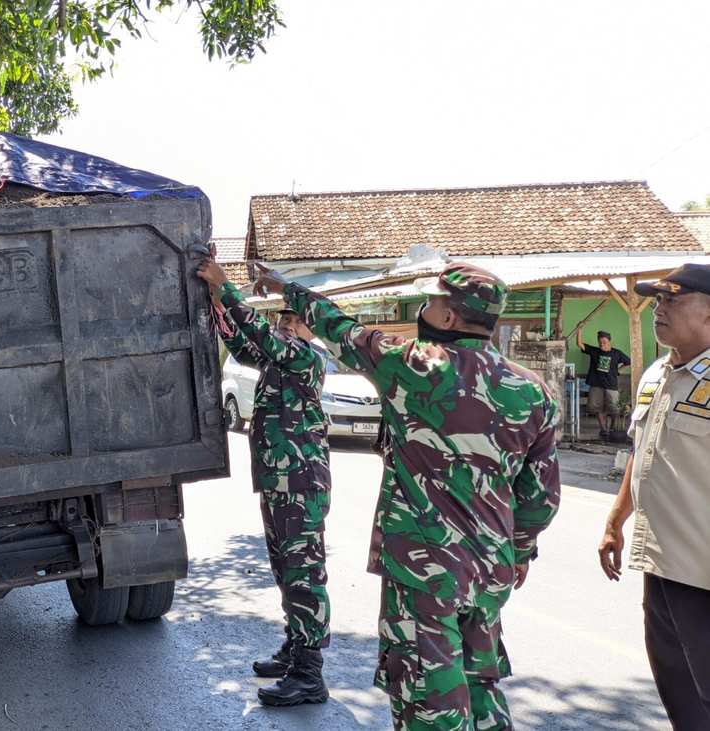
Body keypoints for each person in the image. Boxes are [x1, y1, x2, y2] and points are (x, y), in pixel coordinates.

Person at [250, 262, 561, 730]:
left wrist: (284, 288)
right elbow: (540, 497)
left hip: (424, 570)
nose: (424, 307)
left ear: (450, 318)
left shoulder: (413, 365)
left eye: (433, 301)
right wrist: (520, 551)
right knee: (480, 685)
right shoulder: (533, 391)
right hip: (490, 568)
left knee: (428, 698)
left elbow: (338, 328)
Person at [198, 261, 332, 707]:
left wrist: (228, 287)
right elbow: (243, 344)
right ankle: (296, 649)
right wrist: (219, 305)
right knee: (284, 569)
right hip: (279, 480)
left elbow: (266, 338)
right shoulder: (280, 359)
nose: (286, 326)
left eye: (294, 320)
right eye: (284, 319)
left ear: (311, 330)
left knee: (304, 574)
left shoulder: (307, 359)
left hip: (300, 481)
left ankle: (309, 673)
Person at [597, 263, 710, 730]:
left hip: (704, 572)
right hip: (660, 564)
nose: (658, 310)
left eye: (673, 301)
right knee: (680, 694)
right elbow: (642, 451)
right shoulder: (657, 374)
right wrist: (614, 521)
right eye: (657, 300)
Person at [577, 328, 631, 439]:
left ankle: (612, 428)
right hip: (596, 384)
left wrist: (619, 371)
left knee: (614, 409)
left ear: (609, 341)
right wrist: (580, 329)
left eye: (604, 342)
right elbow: (580, 344)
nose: (602, 344)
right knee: (598, 409)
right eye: (600, 342)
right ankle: (603, 429)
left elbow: (629, 361)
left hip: (611, 384)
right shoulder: (595, 351)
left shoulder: (616, 353)